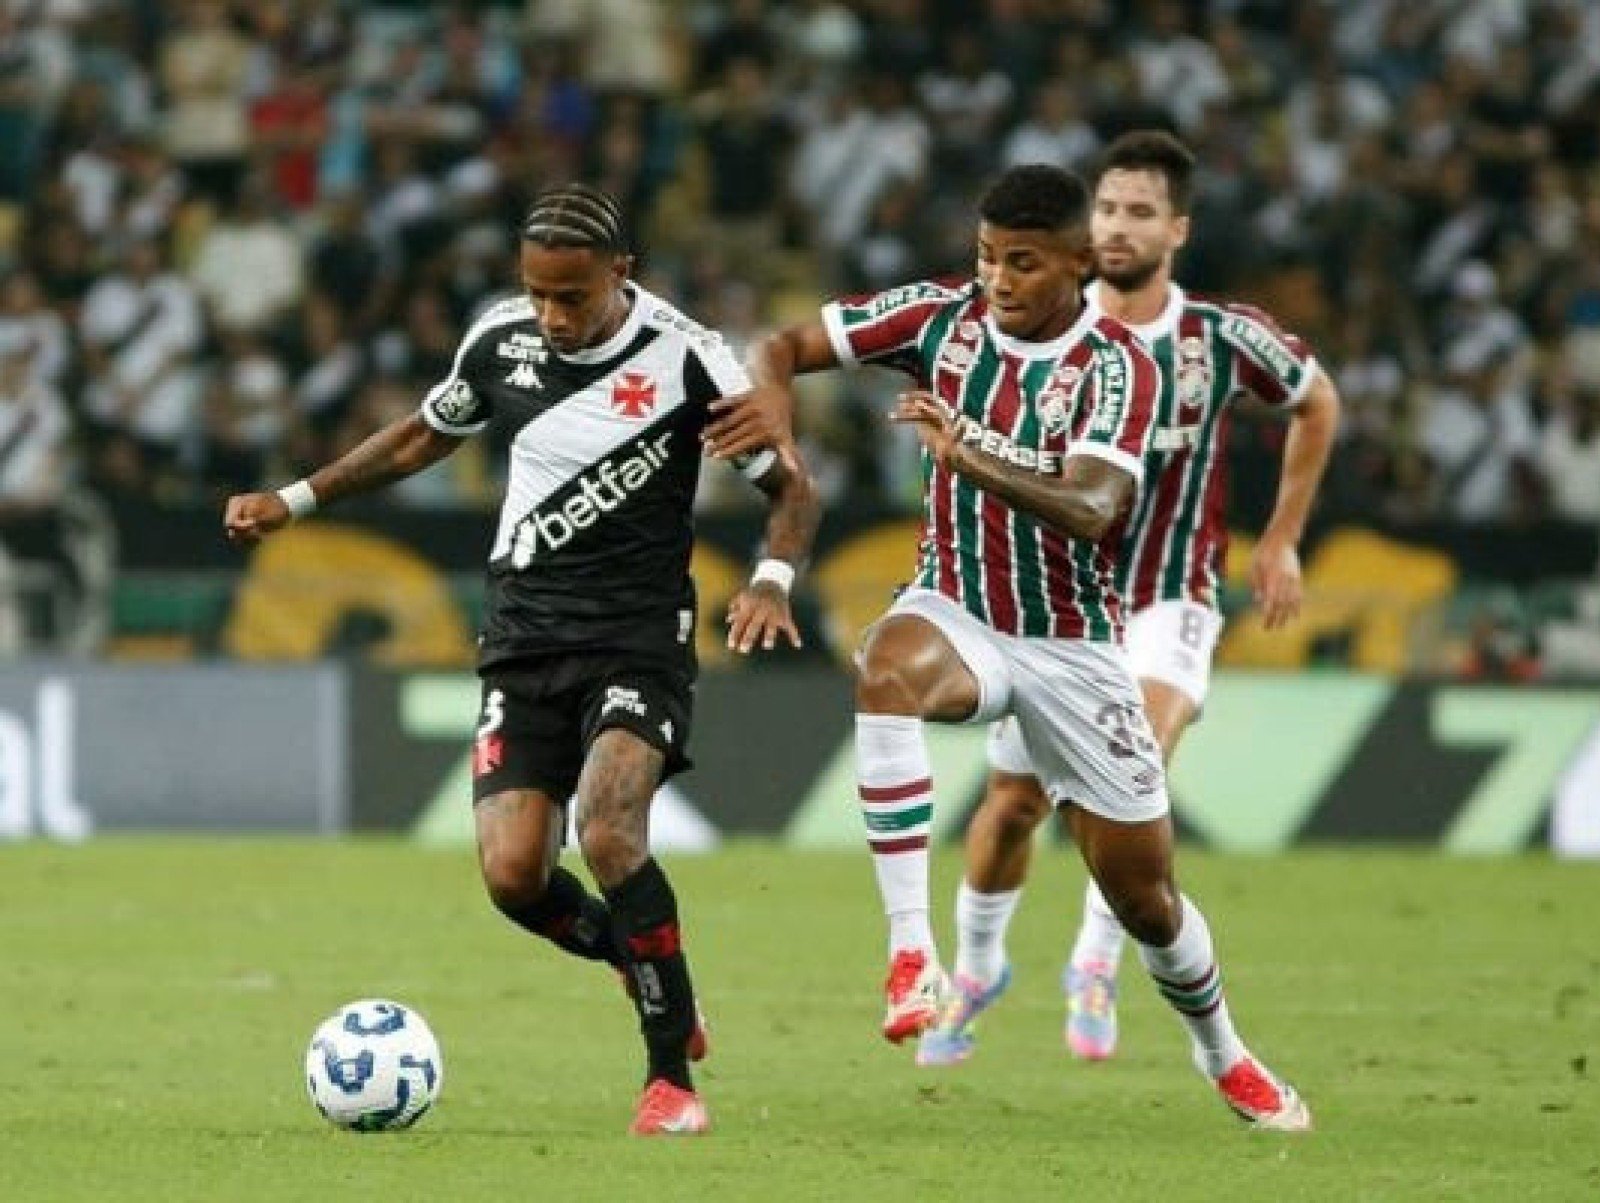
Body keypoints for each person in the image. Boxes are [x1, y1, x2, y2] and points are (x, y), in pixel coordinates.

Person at [719, 162, 1311, 1129]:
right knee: (882, 669)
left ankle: (1226, 1055)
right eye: (988, 257)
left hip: (1074, 647)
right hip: (958, 609)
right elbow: (776, 345)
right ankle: (915, 955)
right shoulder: (939, 320)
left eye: (1023, 263)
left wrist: (969, 453)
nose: (996, 279)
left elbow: (1092, 504)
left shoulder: (1123, 366)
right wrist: (779, 438)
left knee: (1146, 899)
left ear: (1080, 263)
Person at [224, 183, 820, 1137]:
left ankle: (670, 1079)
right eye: (538, 293)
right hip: (523, 635)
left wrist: (773, 577)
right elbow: (425, 433)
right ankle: (645, 964)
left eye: (572, 297)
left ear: (620, 274)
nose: (552, 315)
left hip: (637, 635)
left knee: (611, 828)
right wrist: (296, 498)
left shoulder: (694, 360)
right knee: (512, 875)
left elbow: (792, 491)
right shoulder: (499, 341)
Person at [921, 132, 1340, 1070]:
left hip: (1170, 592)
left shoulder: (1221, 339)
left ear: (1177, 229)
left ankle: (1095, 960)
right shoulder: (1045, 337)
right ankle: (979, 967)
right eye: (1106, 209)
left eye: (1140, 211)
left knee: (1134, 768)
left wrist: (1281, 535)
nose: (1118, 226)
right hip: (1058, 606)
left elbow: (1319, 403)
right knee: (1014, 804)